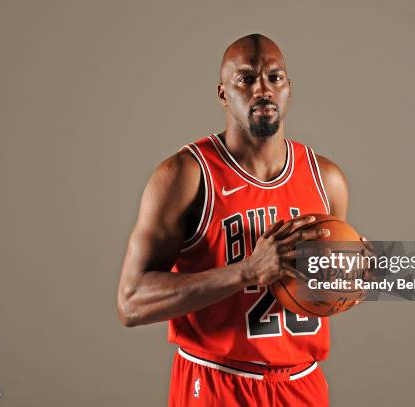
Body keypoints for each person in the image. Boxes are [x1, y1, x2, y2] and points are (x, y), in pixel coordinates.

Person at [117, 33, 364, 406]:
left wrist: (348, 281)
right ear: (222, 94)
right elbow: (132, 302)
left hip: (302, 385)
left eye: (274, 78)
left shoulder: (326, 178)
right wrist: (246, 272)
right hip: (217, 382)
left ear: (289, 89)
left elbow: (323, 287)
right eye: (246, 79)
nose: (262, 90)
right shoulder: (186, 175)